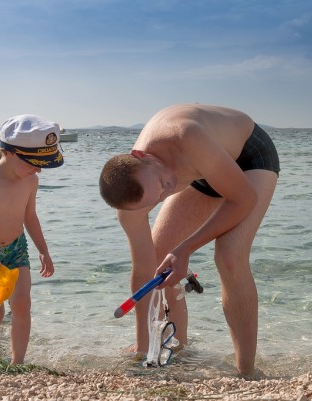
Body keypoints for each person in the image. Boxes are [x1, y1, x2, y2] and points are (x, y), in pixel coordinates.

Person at [99, 104, 280, 377]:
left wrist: (185, 249)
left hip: (247, 157)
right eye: (157, 198)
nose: (167, 191)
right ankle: (176, 350)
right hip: (202, 171)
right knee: (161, 263)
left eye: (161, 182)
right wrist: (142, 345)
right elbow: (143, 272)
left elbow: (243, 199)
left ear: (141, 156)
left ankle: (246, 371)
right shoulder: (131, 210)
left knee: (229, 256)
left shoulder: (186, 136)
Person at [0, 114, 64, 364]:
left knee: (22, 305)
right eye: (35, 162)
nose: (38, 169)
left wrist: (44, 250)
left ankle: (18, 364)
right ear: (12, 153)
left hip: (17, 249)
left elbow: (30, 218)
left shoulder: (31, 181)